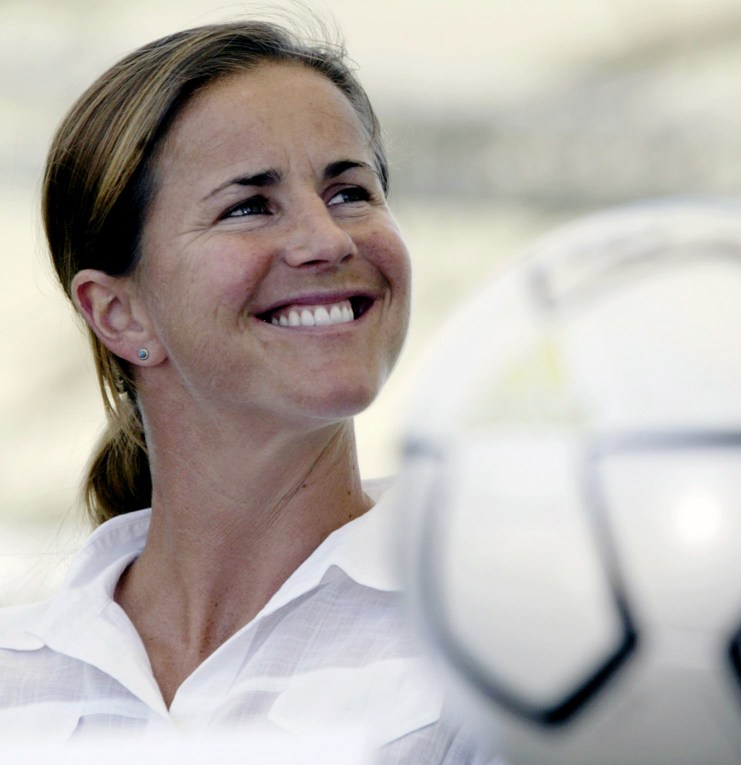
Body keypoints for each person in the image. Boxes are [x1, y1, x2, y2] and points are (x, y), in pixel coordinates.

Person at [0, 18, 498, 763]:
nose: (329, 240)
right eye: (248, 206)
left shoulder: (508, 636)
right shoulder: (16, 678)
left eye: (350, 191)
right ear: (119, 312)